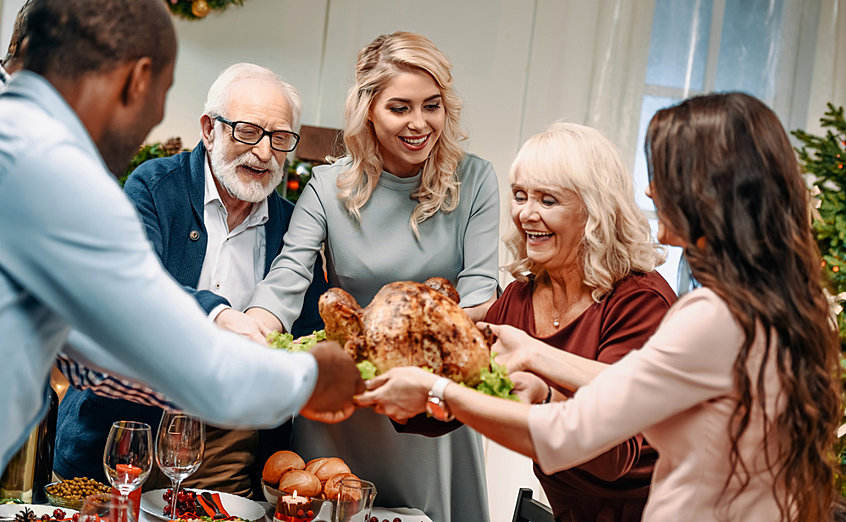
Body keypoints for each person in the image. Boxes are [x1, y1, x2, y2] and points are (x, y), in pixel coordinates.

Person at [359, 93, 842, 522]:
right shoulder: (766, 308)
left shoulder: (706, 314)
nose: (649, 191)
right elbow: (634, 388)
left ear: (706, 196)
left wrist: (444, 386)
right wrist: (413, 379)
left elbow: (584, 431)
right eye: (522, 195)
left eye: (662, 176)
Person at [0, 0, 363, 473]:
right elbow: (179, 357)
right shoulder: (55, 174)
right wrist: (310, 378)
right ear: (138, 78)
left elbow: (101, 356)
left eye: (278, 139)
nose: (153, 118)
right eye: (163, 94)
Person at [240, 32, 500, 522]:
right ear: (368, 110)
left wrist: (420, 370)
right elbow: (288, 277)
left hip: (430, 409)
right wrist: (251, 330)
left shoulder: (478, 182)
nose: (420, 123)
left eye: (433, 105)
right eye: (400, 107)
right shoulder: (326, 186)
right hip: (343, 407)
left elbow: (482, 292)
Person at [54, 63, 330, 497]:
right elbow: (135, 288)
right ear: (209, 129)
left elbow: (312, 329)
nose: (263, 153)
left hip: (231, 439)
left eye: (279, 139)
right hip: (128, 425)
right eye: (247, 131)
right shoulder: (155, 185)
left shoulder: (292, 225)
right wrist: (217, 315)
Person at [477, 122, 675, 521]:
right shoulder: (520, 298)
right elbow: (447, 406)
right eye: (519, 196)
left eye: (548, 200)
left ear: (594, 210)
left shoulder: (639, 302)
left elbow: (613, 457)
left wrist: (543, 398)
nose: (526, 214)